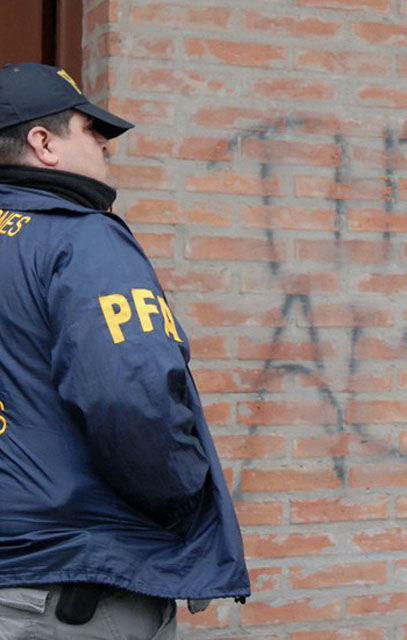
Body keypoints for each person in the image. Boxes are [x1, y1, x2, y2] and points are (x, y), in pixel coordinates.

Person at [0, 63, 249, 638]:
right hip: (73, 586)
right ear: (44, 144)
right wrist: (184, 499)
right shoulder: (82, 238)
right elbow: (132, 398)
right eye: (91, 131)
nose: (106, 145)